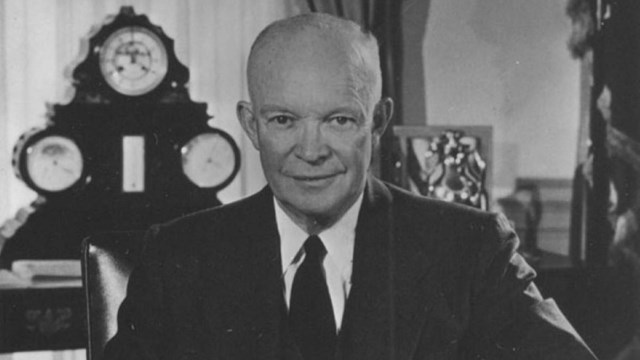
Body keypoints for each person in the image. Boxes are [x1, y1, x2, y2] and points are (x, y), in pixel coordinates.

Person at [104, 13, 596, 360]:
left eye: (339, 120)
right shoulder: (177, 256)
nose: (311, 149)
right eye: (284, 120)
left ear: (377, 121)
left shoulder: (471, 249)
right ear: (251, 127)